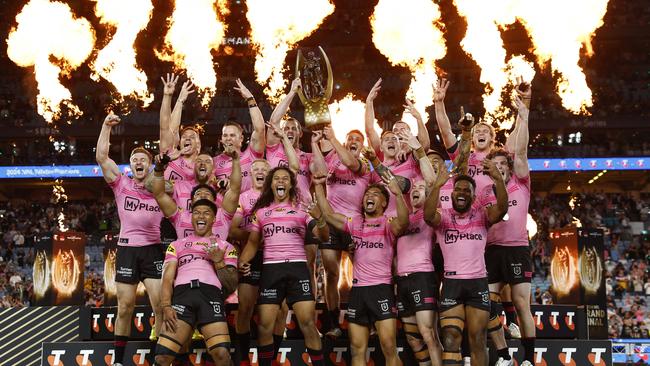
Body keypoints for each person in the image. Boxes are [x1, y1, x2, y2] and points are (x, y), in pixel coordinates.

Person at [314, 168, 409, 366]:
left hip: (381, 289)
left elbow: (404, 222)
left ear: (384, 203)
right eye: (367, 194)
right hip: (358, 292)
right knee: (357, 350)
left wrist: (398, 194)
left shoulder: (388, 223)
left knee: (389, 347)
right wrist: (317, 185)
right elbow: (330, 215)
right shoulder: (355, 222)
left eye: (375, 194)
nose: (369, 197)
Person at [238, 167, 329, 366]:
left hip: (297, 269)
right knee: (264, 326)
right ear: (271, 184)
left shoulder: (303, 210)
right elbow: (253, 243)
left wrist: (320, 218)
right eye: (276, 178)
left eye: (285, 179)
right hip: (271, 270)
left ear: (290, 185)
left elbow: (324, 237)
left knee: (308, 324)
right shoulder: (261, 213)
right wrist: (242, 262)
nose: (281, 181)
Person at [96, 113, 164, 366]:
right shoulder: (121, 184)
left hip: (153, 250)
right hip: (127, 250)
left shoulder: (160, 187)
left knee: (159, 304)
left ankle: (160, 356)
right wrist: (105, 126)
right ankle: (118, 360)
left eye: (142, 160)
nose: (138, 162)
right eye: (134, 160)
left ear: (149, 165)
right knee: (125, 307)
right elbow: (102, 158)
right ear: (131, 166)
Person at [424, 161, 508, 366]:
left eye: (467, 190)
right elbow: (427, 216)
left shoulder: (482, 216)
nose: (461, 193)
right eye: (458, 189)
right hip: (452, 284)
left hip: (477, 283)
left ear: (473, 196)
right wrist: (436, 185)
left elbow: (502, 209)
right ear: (451, 194)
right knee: (451, 338)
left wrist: (498, 179)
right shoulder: (443, 217)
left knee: (478, 339)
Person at [153, 199, 238, 366]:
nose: (201, 216)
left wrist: (219, 262)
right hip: (182, 297)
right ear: (191, 218)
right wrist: (166, 306)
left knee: (222, 354)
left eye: (206, 213)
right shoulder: (176, 245)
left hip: (211, 297)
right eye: (197, 212)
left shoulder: (225, 246)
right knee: (162, 357)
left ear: (214, 219)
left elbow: (231, 284)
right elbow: (167, 278)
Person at [483, 94, 535, 366]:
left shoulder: (521, 184)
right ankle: (503, 354)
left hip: (516, 249)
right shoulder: (485, 192)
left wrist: (523, 114)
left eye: (505, 164)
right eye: (497, 164)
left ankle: (528, 359)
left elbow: (522, 150)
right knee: (486, 303)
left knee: (521, 302)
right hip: (492, 251)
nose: (501, 167)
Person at [309, 126, 371, 338]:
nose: (353, 141)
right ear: (345, 143)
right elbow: (318, 171)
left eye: (357, 140)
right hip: (331, 222)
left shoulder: (364, 167)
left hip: (355, 225)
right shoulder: (334, 161)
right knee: (331, 273)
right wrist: (316, 145)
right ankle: (333, 322)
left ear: (362, 147)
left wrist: (334, 138)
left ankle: (367, 319)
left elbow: (351, 163)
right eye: (350, 138)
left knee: (363, 275)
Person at [230, 159, 291, 366]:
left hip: (277, 257)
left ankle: (272, 358)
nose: (259, 172)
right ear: (250, 174)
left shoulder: (280, 199)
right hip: (253, 256)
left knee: (282, 309)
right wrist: (255, 236)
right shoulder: (244, 198)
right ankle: (242, 359)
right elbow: (232, 229)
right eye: (255, 169)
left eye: (264, 170)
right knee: (246, 307)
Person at [395, 179, 444, 366]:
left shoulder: (431, 215)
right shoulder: (404, 218)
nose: (415, 189)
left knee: (428, 333)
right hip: (402, 279)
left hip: (422, 276)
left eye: (421, 188)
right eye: (414, 188)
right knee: (413, 339)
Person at [151, 150, 241, 240]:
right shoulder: (181, 217)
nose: (202, 195)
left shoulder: (222, 215)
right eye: (198, 193)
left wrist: (236, 160)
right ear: (191, 201)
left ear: (214, 201)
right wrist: (158, 169)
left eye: (207, 193)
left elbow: (235, 190)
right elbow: (159, 194)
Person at [213, 79, 266, 193]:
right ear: (221, 139)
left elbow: (260, 129)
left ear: (241, 139)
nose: (228, 138)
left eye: (232, 135)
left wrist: (250, 99)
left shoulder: (251, 156)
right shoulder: (213, 163)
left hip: (250, 209)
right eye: (225, 135)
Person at [159, 74, 200, 182]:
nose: (187, 138)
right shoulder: (170, 155)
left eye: (192, 137)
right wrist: (172, 98)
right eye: (184, 136)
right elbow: (167, 128)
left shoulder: (204, 164)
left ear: (199, 145)